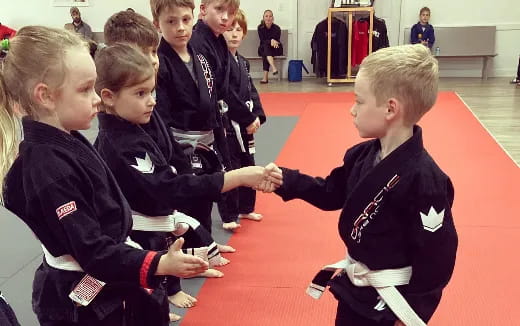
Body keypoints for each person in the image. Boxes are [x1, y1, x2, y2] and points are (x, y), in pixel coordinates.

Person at [0, 26, 209, 326]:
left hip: (107, 277)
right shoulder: (47, 167)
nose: (97, 98)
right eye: (85, 90)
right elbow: (92, 250)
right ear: (45, 96)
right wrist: (159, 263)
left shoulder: (66, 139)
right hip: (81, 298)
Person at [266, 44, 458, 325]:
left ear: (390, 108)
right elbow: (331, 192)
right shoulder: (362, 155)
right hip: (356, 289)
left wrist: (411, 314)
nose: (352, 110)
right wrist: (289, 180)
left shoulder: (426, 180)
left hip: (392, 301)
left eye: (359, 101)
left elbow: (437, 260)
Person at [189, 0, 261, 234]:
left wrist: (252, 114)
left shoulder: (217, 40)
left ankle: (213, 235)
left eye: (230, 13)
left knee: (233, 165)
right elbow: (220, 88)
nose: (225, 18)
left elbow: (233, 87)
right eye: (219, 10)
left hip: (220, 117)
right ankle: (212, 230)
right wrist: (246, 116)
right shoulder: (199, 41)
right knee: (213, 176)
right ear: (202, 10)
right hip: (197, 124)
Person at [221, 9, 266, 231]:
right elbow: (227, 93)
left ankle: (246, 207)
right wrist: (246, 118)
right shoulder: (219, 62)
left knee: (249, 163)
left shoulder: (243, 63)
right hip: (227, 125)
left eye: (238, 29)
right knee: (231, 168)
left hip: (245, 123)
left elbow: (251, 91)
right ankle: (229, 214)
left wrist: (257, 115)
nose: (234, 34)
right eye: (229, 29)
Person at [257, 9, 283, 84]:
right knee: (265, 47)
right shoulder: (260, 27)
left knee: (266, 50)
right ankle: (273, 67)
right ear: (263, 18)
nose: (268, 18)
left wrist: (272, 41)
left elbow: (276, 41)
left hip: (275, 48)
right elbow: (262, 40)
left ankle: (265, 77)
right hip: (263, 48)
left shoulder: (277, 28)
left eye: (270, 16)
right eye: (266, 16)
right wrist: (271, 41)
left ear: (273, 18)